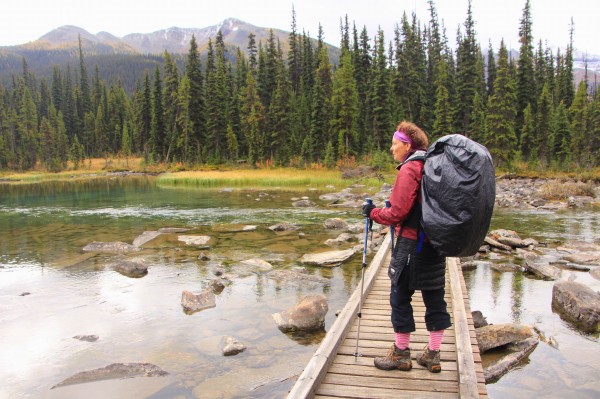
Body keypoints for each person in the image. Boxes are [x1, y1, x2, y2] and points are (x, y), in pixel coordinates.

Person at [362, 121, 451, 373]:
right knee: (435, 297)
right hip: (435, 243)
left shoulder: (410, 168)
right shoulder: (434, 166)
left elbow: (397, 213)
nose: (392, 149)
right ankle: (433, 355)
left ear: (407, 145)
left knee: (399, 296)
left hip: (412, 244)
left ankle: (401, 354)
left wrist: (373, 212)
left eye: (394, 143)